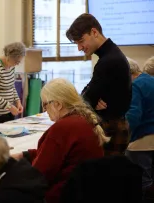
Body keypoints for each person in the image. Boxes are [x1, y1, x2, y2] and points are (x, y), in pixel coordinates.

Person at [12, 78, 108, 203]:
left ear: (58, 104)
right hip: (86, 193)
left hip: (62, 195)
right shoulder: (83, 120)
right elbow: (56, 154)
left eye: (45, 104)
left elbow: (39, 174)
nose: (44, 109)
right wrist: (24, 155)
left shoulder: (63, 128)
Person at [66, 13, 132, 156]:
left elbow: (86, 100)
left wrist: (91, 100)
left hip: (111, 130)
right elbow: (89, 93)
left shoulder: (108, 61)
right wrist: (91, 99)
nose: (79, 48)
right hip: (115, 126)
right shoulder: (110, 55)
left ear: (94, 32)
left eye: (81, 41)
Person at [124, 57, 154, 199]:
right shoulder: (151, 80)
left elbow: (133, 116)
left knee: (142, 182)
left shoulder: (135, 86)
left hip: (141, 142)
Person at [0, 42, 25, 125]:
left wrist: (18, 101)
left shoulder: (11, 66)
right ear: (8, 57)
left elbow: (11, 86)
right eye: (16, 61)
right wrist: (10, 106)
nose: (17, 64)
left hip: (8, 111)